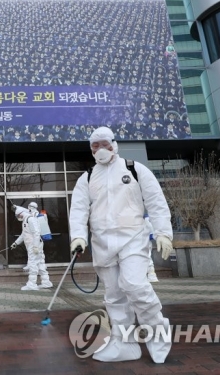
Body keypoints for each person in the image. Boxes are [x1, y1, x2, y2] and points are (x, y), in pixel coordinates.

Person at [69, 126, 173, 364]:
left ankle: (158, 334)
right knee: (114, 296)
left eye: (104, 144)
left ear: (114, 144)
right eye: (95, 146)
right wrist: (78, 236)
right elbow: (78, 210)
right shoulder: (86, 177)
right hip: (102, 243)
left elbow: (156, 201)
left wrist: (163, 233)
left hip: (132, 239)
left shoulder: (135, 169)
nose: (100, 150)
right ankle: (124, 344)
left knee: (135, 285)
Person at [10, 206, 53, 290]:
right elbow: (24, 234)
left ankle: (32, 284)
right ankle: (46, 282)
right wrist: (16, 243)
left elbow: (36, 233)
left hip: (34, 245)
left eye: (18, 216)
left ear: (21, 214)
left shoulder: (30, 219)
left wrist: (35, 246)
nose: (18, 218)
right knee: (40, 263)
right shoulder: (26, 220)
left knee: (32, 263)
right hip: (34, 245)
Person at [145, 216, 159, 283]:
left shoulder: (145, 219)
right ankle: (151, 275)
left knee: (147, 256)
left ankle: (151, 275)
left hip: (143, 240)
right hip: (144, 239)